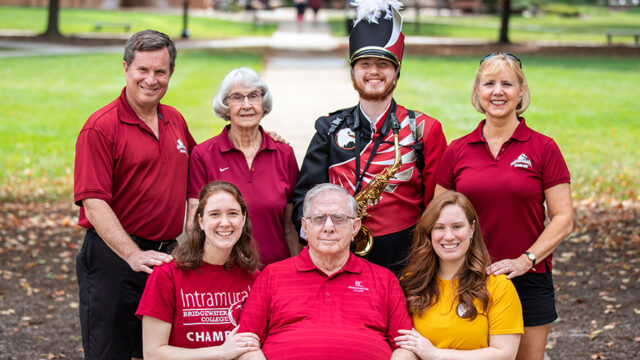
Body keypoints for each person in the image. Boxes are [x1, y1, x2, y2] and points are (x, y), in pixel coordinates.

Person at [435, 52, 574, 360]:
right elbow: (437, 216)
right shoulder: (457, 150)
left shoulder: (544, 148)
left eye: (507, 84)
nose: (498, 92)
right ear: (477, 91)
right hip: (467, 279)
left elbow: (563, 218)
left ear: (521, 91)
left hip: (528, 279)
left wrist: (525, 260)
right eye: (489, 84)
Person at [292, 0, 447, 273]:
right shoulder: (329, 128)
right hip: (337, 259)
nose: (373, 72)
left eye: (383, 64)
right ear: (352, 72)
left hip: (406, 261)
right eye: (364, 64)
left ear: (397, 72)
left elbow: (437, 205)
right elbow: (303, 199)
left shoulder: (425, 129)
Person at [74, 29, 197, 359]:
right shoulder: (101, 126)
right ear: (126, 68)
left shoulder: (174, 120)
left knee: (159, 353)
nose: (151, 79)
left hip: (166, 260)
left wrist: (252, 135)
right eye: (143, 69)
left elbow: (199, 174)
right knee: (109, 352)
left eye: (161, 71)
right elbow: (94, 202)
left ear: (171, 73)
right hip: (114, 258)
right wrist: (131, 254)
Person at [237, 183, 415, 360]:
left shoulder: (384, 279)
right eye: (319, 218)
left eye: (338, 218)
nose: (328, 227)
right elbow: (245, 344)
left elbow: (406, 346)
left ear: (355, 227)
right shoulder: (271, 276)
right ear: (305, 227)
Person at [187, 67, 300, 268]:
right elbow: (194, 226)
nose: (246, 105)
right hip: (226, 272)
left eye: (253, 96)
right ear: (225, 106)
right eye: (237, 98)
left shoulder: (284, 154)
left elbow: (290, 225)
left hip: (275, 270)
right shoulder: (203, 155)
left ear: (263, 103)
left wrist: (296, 270)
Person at [136, 181, 261, 358]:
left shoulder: (254, 278)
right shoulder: (167, 275)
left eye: (233, 213)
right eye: (215, 214)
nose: (224, 223)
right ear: (201, 221)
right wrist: (220, 352)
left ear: (243, 219)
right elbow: (153, 354)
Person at [396, 191, 523, 359]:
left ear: (472, 229)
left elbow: (505, 354)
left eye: (457, 227)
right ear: (429, 233)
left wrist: (436, 354)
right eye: (439, 227)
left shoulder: (498, 285)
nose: (448, 236)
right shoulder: (411, 283)